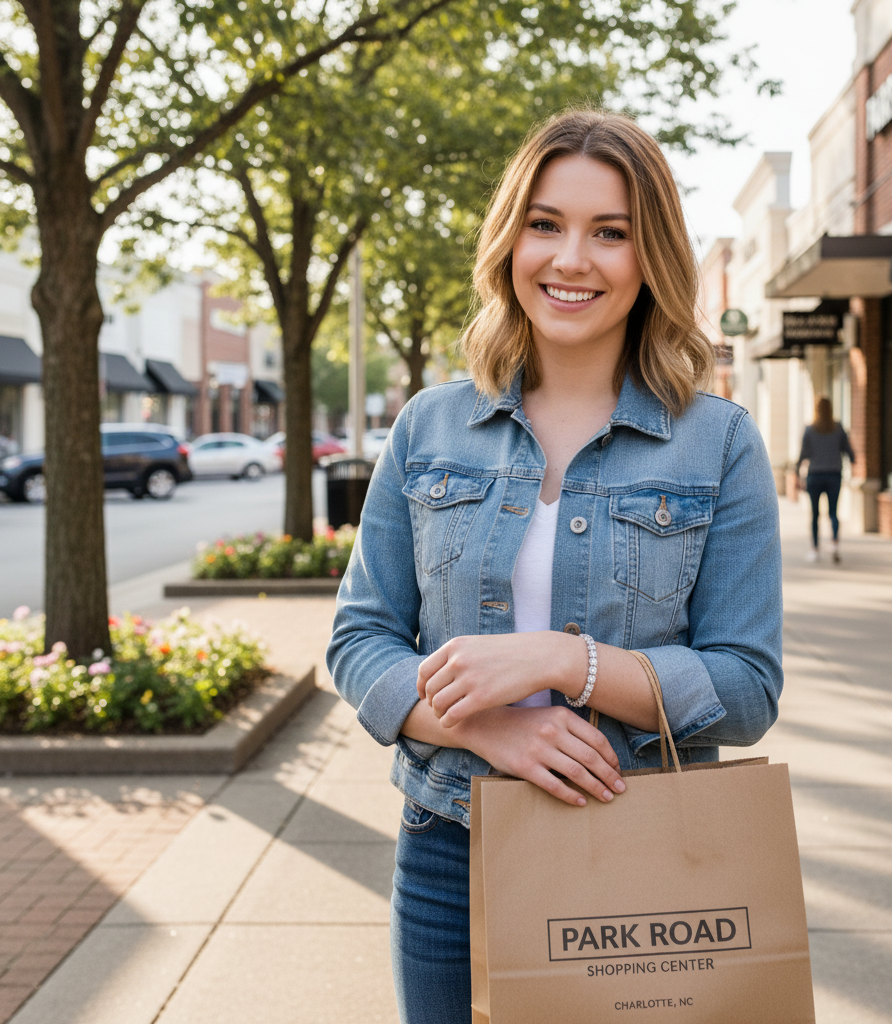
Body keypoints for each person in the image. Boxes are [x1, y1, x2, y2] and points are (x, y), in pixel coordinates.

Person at [326, 109, 783, 1024]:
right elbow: (360, 641)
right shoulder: (428, 426)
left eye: (609, 233)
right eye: (546, 223)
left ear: (648, 257)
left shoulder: (718, 443)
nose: (571, 259)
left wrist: (557, 662)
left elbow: (747, 691)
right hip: (448, 853)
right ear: (510, 241)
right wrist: (482, 731)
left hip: (646, 862)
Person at [798, 396, 855, 563]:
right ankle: (835, 545)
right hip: (834, 475)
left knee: (815, 514)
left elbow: (803, 455)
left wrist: (797, 472)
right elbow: (850, 453)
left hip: (815, 475)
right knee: (833, 513)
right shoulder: (838, 428)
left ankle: (815, 550)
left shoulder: (810, 429)